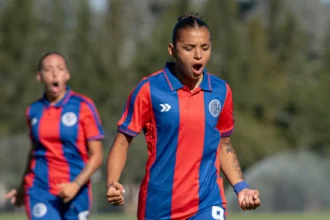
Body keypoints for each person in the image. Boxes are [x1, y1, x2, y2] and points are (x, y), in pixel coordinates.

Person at [106, 13, 261, 220]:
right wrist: (112, 182)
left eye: (205, 48)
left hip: (207, 202)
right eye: (189, 48)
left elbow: (223, 144)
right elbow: (122, 142)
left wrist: (241, 187)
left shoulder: (221, 91)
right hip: (158, 206)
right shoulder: (149, 89)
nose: (198, 55)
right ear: (172, 50)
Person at [4, 52, 104, 220]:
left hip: (76, 188)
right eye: (48, 69)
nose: (55, 73)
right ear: (39, 76)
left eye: (60, 69)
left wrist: (76, 184)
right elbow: (34, 151)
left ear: (67, 75)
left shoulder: (83, 106)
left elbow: (97, 154)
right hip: (40, 188)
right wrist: (22, 187)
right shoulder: (33, 111)